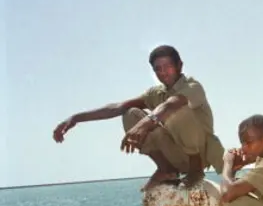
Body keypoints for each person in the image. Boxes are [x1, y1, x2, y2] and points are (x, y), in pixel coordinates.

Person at [52, 45, 225, 189]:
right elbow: (117, 107)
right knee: (130, 113)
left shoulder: (193, 87)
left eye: (168, 66)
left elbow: (171, 104)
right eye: (158, 68)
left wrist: (146, 123)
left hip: (199, 154)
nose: (163, 72)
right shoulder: (156, 93)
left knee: (175, 110)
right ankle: (166, 169)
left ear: (180, 65)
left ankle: (195, 171)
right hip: (175, 154)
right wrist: (75, 118)